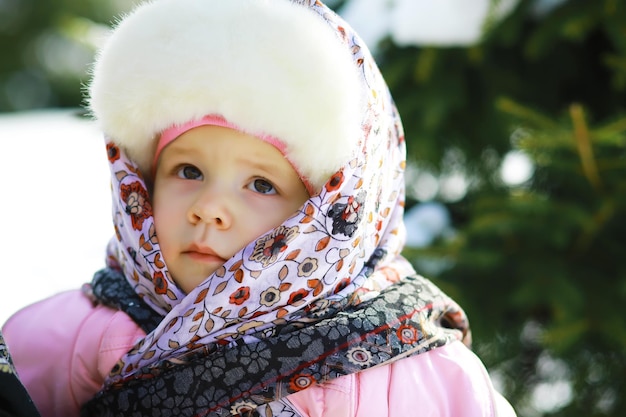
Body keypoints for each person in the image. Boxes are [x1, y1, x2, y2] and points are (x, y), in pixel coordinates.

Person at [2, 0, 517, 416]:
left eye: (261, 184)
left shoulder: (409, 368)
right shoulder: (74, 335)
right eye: (188, 171)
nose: (210, 209)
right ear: (140, 185)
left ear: (331, 215)